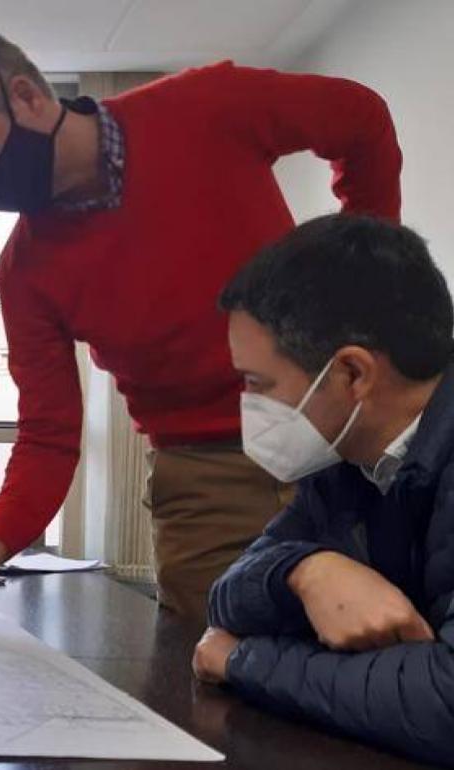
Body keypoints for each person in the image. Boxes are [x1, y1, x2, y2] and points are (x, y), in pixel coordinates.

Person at [0, 26, 402, 621]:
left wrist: (365, 276)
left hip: (337, 437)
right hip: (203, 480)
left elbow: (361, 119)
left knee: (375, 652)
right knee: (211, 671)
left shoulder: (204, 106)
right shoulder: (25, 272)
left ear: (28, 96)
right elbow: (49, 433)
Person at [192, 215, 454, 767]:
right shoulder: (345, 457)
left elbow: (444, 703)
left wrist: (243, 663)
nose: (246, 403)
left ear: (353, 374)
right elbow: (227, 598)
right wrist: (305, 571)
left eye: (259, 383)